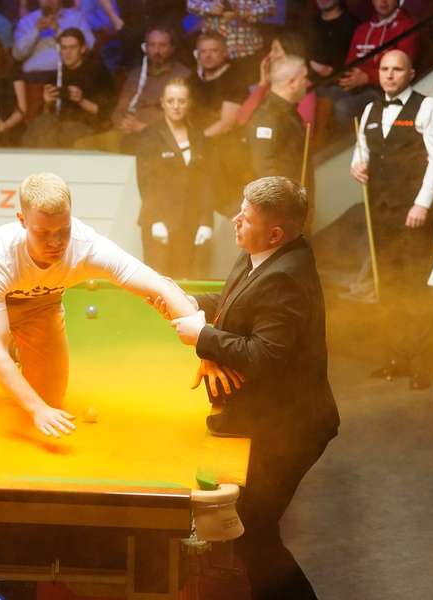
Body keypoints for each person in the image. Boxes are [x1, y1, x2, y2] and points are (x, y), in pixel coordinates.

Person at [0, 172, 203, 438]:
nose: (56, 243)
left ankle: (14, 351)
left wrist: (206, 343)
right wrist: (36, 411)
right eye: (43, 233)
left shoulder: (87, 245)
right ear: (22, 220)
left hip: (40, 304)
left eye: (62, 231)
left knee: (50, 397)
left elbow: (159, 286)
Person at [161, 176, 340, 599]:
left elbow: (262, 356)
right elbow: (233, 306)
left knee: (255, 533)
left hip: (292, 430)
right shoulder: (260, 255)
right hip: (269, 420)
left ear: (275, 233)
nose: (236, 220)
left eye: (247, 216)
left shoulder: (287, 278)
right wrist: (187, 302)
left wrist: (201, 338)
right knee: (248, 530)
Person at [350, 50, 433, 390]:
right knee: (388, 287)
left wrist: (421, 204)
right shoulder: (369, 110)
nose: (390, 75)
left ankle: (423, 366)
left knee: (415, 288)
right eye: (385, 69)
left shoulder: (427, 107)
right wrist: (356, 165)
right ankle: (397, 357)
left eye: (397, 70)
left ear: (411, 73)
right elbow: (361, 151)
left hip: (414, 214)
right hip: (381, 212)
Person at [135, 79, 213, 278]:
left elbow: (206, 182)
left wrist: (206, 221)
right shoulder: (150, 135)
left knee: (184, 284)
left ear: (189, 103)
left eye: (181, 101)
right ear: (162, 102)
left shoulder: (198, 136)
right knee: (157, 284)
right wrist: (155, 220)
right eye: (171, 101)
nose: (176, 106)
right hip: (159, 224)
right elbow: (145, 182)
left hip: (190, 223)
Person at [325, 0, 418, 128]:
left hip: (382, 91)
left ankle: (358, 145)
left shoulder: (406, 27)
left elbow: (401, 72)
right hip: (356, 86)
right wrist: (349, 77)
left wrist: (367, 77)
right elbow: (349, 64)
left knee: (343, 107)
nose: (383, 2)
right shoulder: (362, 29)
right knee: (322, 94)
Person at [22, 28, 113, 148]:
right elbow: (46, 113)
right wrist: (47, 103)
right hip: (57, 125)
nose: (67, 53)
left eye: (72, 47)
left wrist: (81, 101)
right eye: (64, 48)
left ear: (82, 48)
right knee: (36, 127)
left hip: (86, 126)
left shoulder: (97, 71)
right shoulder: (56, 74)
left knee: (54, 131)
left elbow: (108, 112)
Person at [108, 24, 191, 154]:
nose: (156, 51)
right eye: (152, 45)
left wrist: (143, 128)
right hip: (128, 133)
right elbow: (119, 110)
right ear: (145, 48)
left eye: (162, 45)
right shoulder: (135, 75)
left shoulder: (183, 75)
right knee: (86, 146)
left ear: (172, 48)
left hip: (162, 137)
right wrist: (123, 124)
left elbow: (181, 117)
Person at [191, 32, 247, 215]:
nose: (207, 55)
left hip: (224, 146)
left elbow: (226, 123)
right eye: (203, 51)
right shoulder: (191, 80)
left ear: (224, 53)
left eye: (214, 51)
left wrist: (193, 142)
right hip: (195, 144)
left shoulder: (235, 79)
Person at [245, 56, 311, 183]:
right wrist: (286, 199)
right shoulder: (266, 117)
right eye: (304, 78)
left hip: (296, 195)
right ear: (292, 82)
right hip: (284, 199)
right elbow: (264, 168)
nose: (307, 83)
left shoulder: (289, 111)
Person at [237, 31, 316, 127]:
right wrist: (263, 83)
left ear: (291, 53)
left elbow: (306, 131)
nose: (270, 55)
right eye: (271, 50)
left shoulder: (303, 85)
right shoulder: (269, 83)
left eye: (276, 50)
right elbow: (241, 119)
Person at [187, 0, 277, 84]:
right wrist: (209, 8)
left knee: (245, 89)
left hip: (246, 49)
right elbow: (190, 3)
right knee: (214, 89)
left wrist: (243, 13)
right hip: (214, 49)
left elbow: (270, 7)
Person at [12, 0, 94, 81]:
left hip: (68, 74)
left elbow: (89, 46)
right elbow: (18, 55)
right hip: (33, 77)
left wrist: (58, 30)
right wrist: (36, 30)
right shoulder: (26, 22)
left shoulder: (76, 18)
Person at [309, 0, 360, 82]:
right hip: (309, 82)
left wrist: (334, 71)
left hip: (340, 84)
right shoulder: (309, 24)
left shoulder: (354, 25)